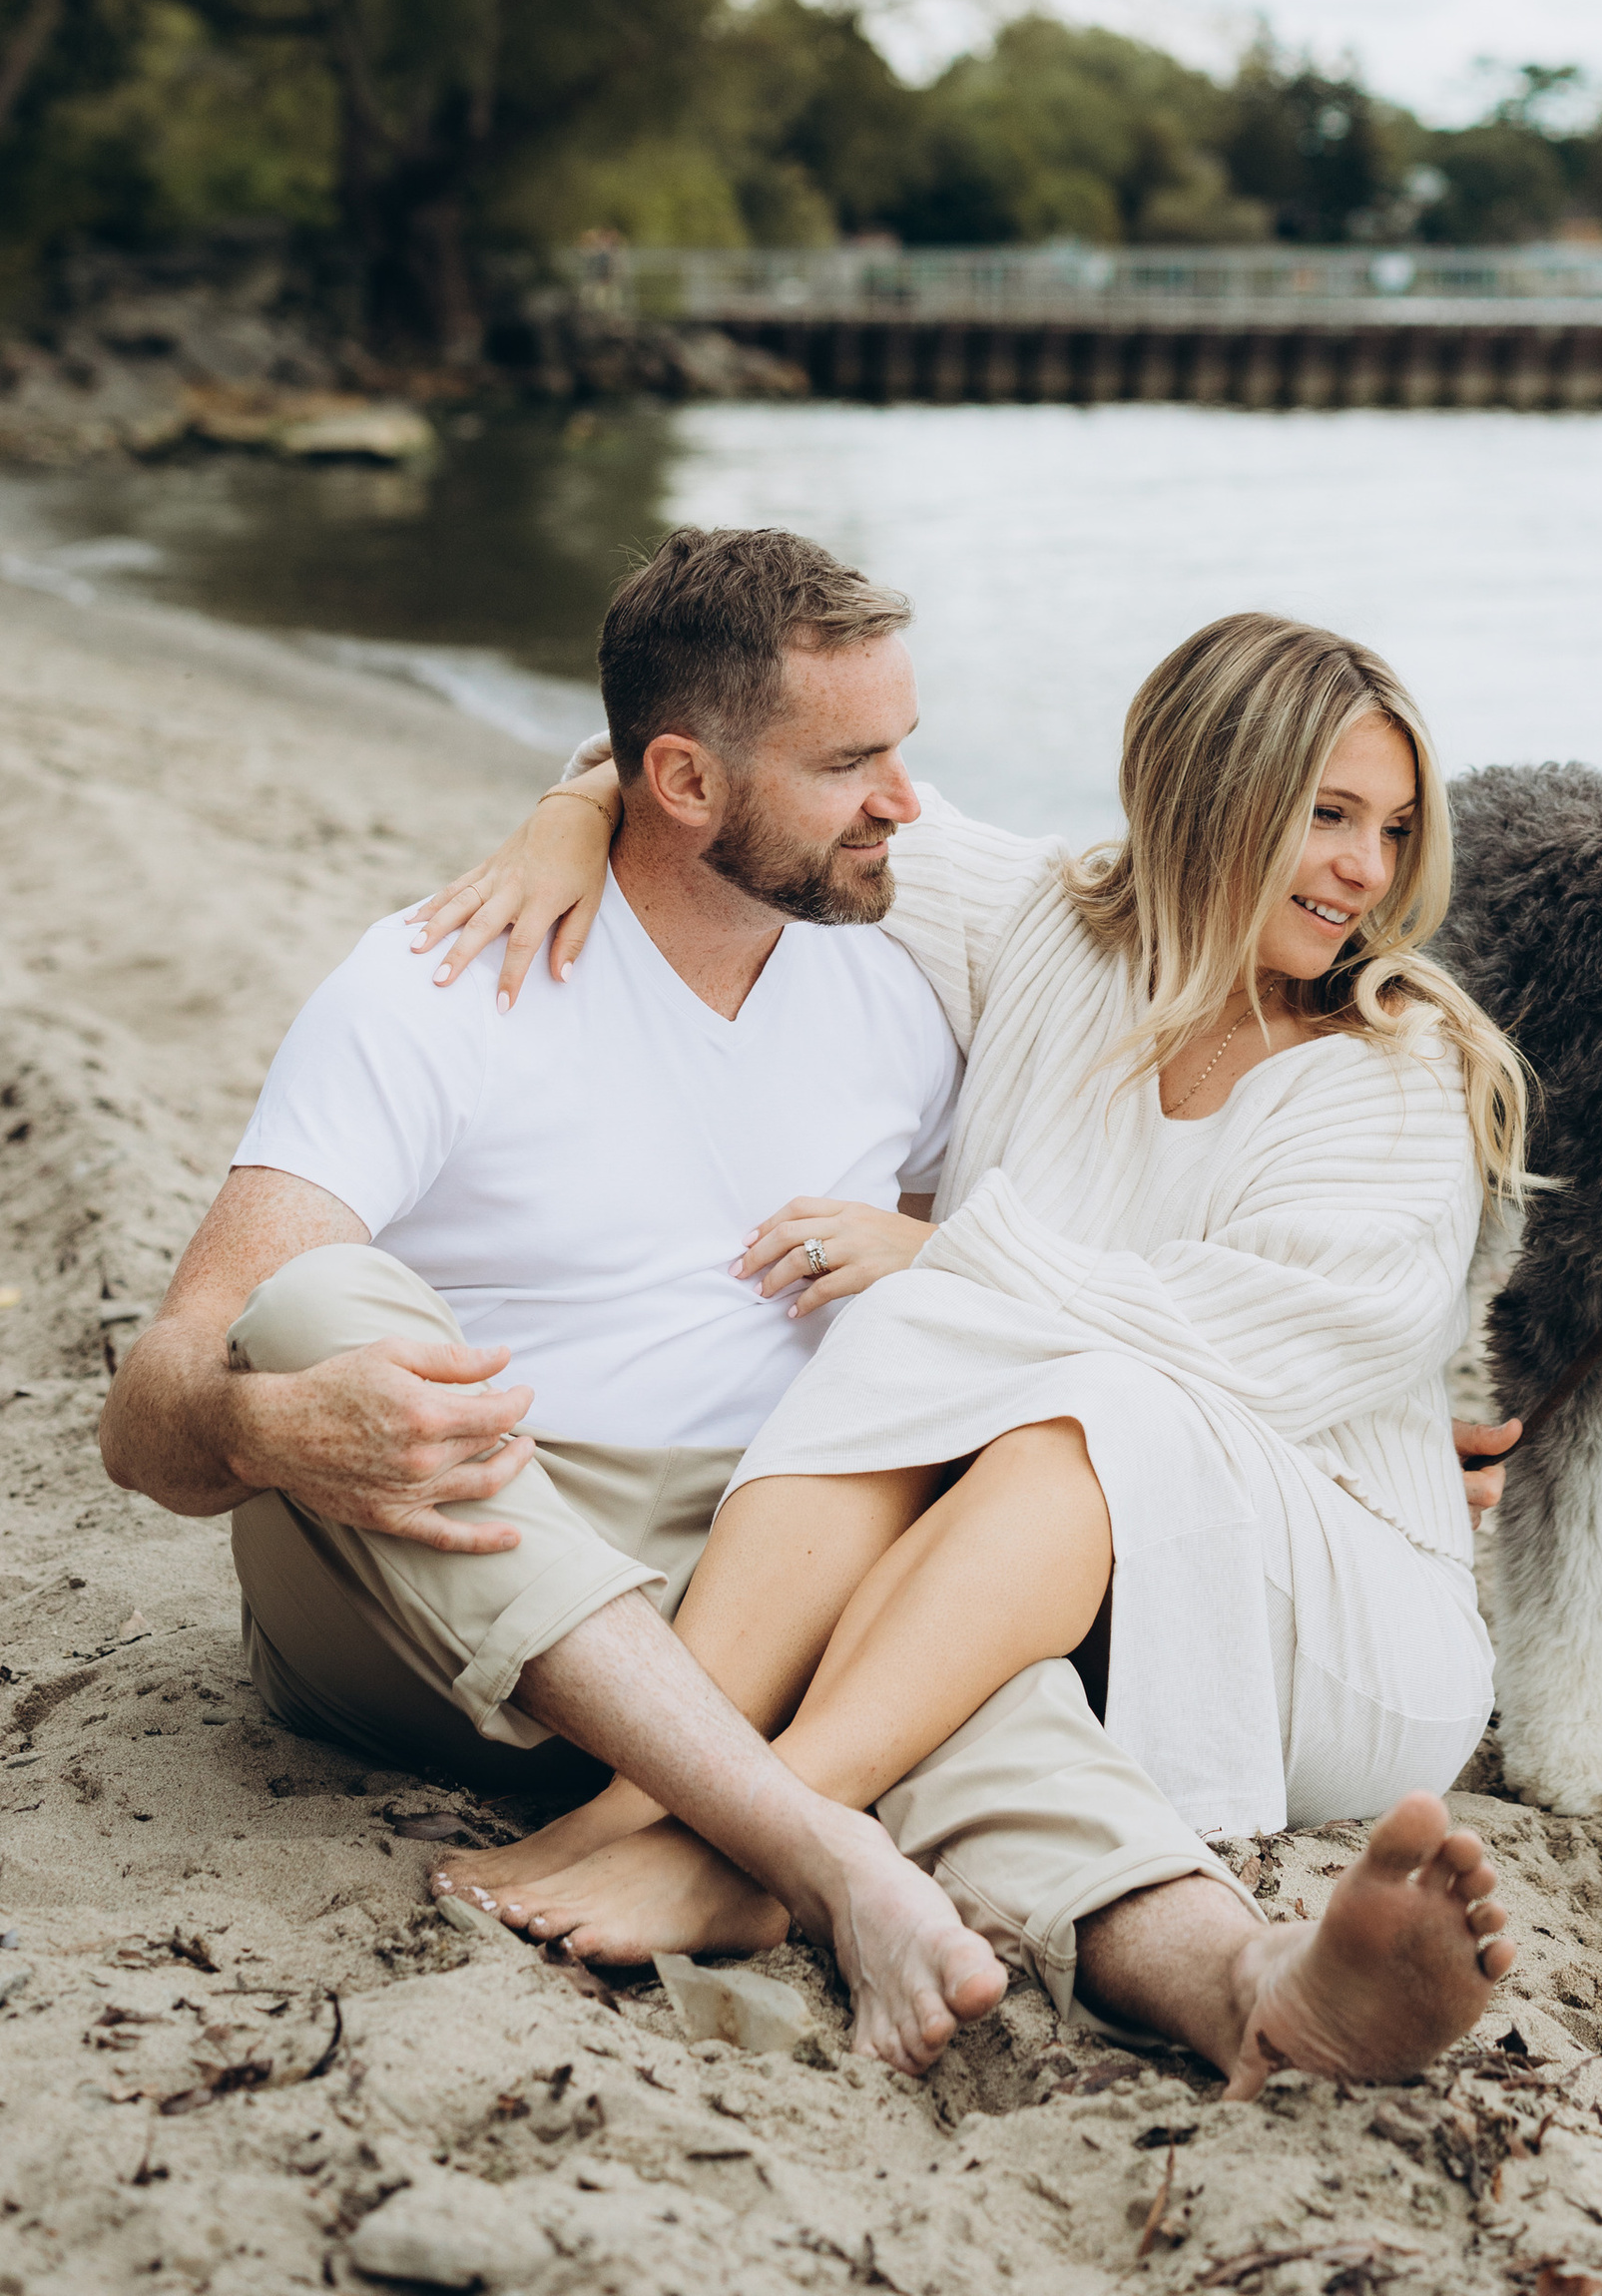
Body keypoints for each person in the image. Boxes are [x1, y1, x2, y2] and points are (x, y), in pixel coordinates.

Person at [100, 528, 1517, 2091]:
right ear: (689, 786)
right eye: (859, 760)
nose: (906, 801)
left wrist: (1318, 1445)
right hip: (456, 1542)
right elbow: (150, 1415)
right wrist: (266, 1421)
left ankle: (1246, 1982)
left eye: (907, 751)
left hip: (767, 1555)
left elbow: (1133, 1323)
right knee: (316, 1312)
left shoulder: (888, 975)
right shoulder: (446, 983)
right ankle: (777, 1840)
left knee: (989, 1695)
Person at [417, 602, 1526, 1983]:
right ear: (1208, 794)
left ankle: (752, 1840)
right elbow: (733, 773)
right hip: (1033, 1549)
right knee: (930, 1348)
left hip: (1340, 1612)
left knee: (1047, 1383)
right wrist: (562, 824)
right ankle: (644, 1799)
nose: (1367, 870)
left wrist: (946, 1257)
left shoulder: (1396, 1074)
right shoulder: (1048, 924)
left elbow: (1249, 1362)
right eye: (1331, 815)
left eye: (1398, 831)